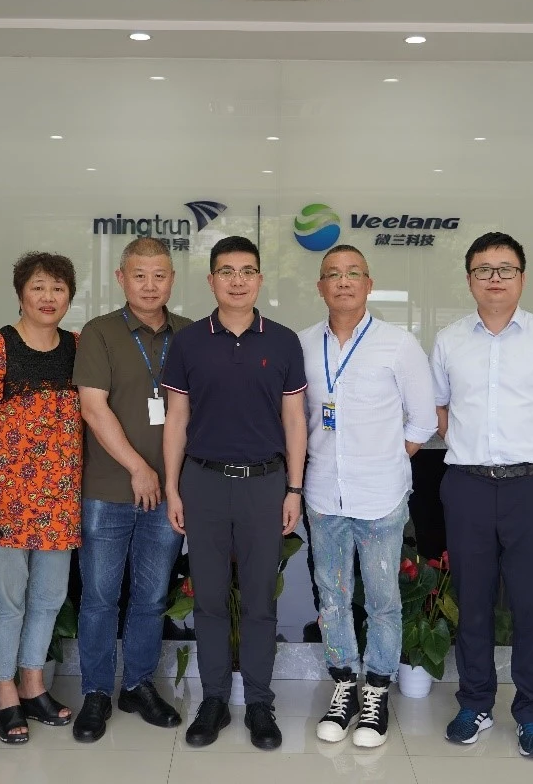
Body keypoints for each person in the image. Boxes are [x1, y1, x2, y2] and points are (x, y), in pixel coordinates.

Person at [430, 232, 533, 759]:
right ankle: (475, 704)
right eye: (484, 269)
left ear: (522, 277)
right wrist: (466, 444)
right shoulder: (450, 339)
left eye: (505, 268)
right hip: (468, 487)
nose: (494, 278)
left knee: (530, 604)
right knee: (472, 602)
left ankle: (532, 714)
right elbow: (438, 407)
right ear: (469, 279)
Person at [161, 235, 307, 751]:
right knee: (210, 600)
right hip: (202, 482)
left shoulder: (283, 342)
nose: (237, 281)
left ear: (260, 279)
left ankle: (261, 703)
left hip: (265, 484)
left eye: (247, 271)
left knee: (261, 600)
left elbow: (295, 419)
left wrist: (294, 487)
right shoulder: (188, 342)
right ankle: (215, 700)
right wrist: (172, 487)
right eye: (227, 271)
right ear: (211, 281)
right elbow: (176, 419)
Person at [298, 244, 437, 748]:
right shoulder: (302, 345)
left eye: (353, 273)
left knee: (382, 600)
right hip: (323, 494)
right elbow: (296, 418)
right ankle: (344, 687)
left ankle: (376, 690)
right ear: (320, 287)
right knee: (332, 596)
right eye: (333, 274)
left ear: (369, 284)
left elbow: (423, 419)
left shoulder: (398, 345)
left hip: (380, 497)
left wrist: (387, 458)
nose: (343, 281)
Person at [70, 237, 191, 742]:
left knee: (150, 598)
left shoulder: (190, 334)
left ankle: (138, 685)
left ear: (172, 280)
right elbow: (92, 407)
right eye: (139, 275)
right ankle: (96, 691)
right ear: (121, 278)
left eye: (159, 275)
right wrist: (140, 468)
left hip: (169, 495)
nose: (149, 285)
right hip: (108, 490)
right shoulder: (99, 333)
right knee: (99, 598)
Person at [0, 252, 82, 745]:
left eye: (58, 288)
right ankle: (5, 692)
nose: (48, 297)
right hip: (10, 497)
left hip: (62, 495)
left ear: (69, 296)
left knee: (50, 597)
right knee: (8, 601)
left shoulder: (77, 346)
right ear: (21, 293)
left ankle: (33, 684)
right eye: (38, 287)